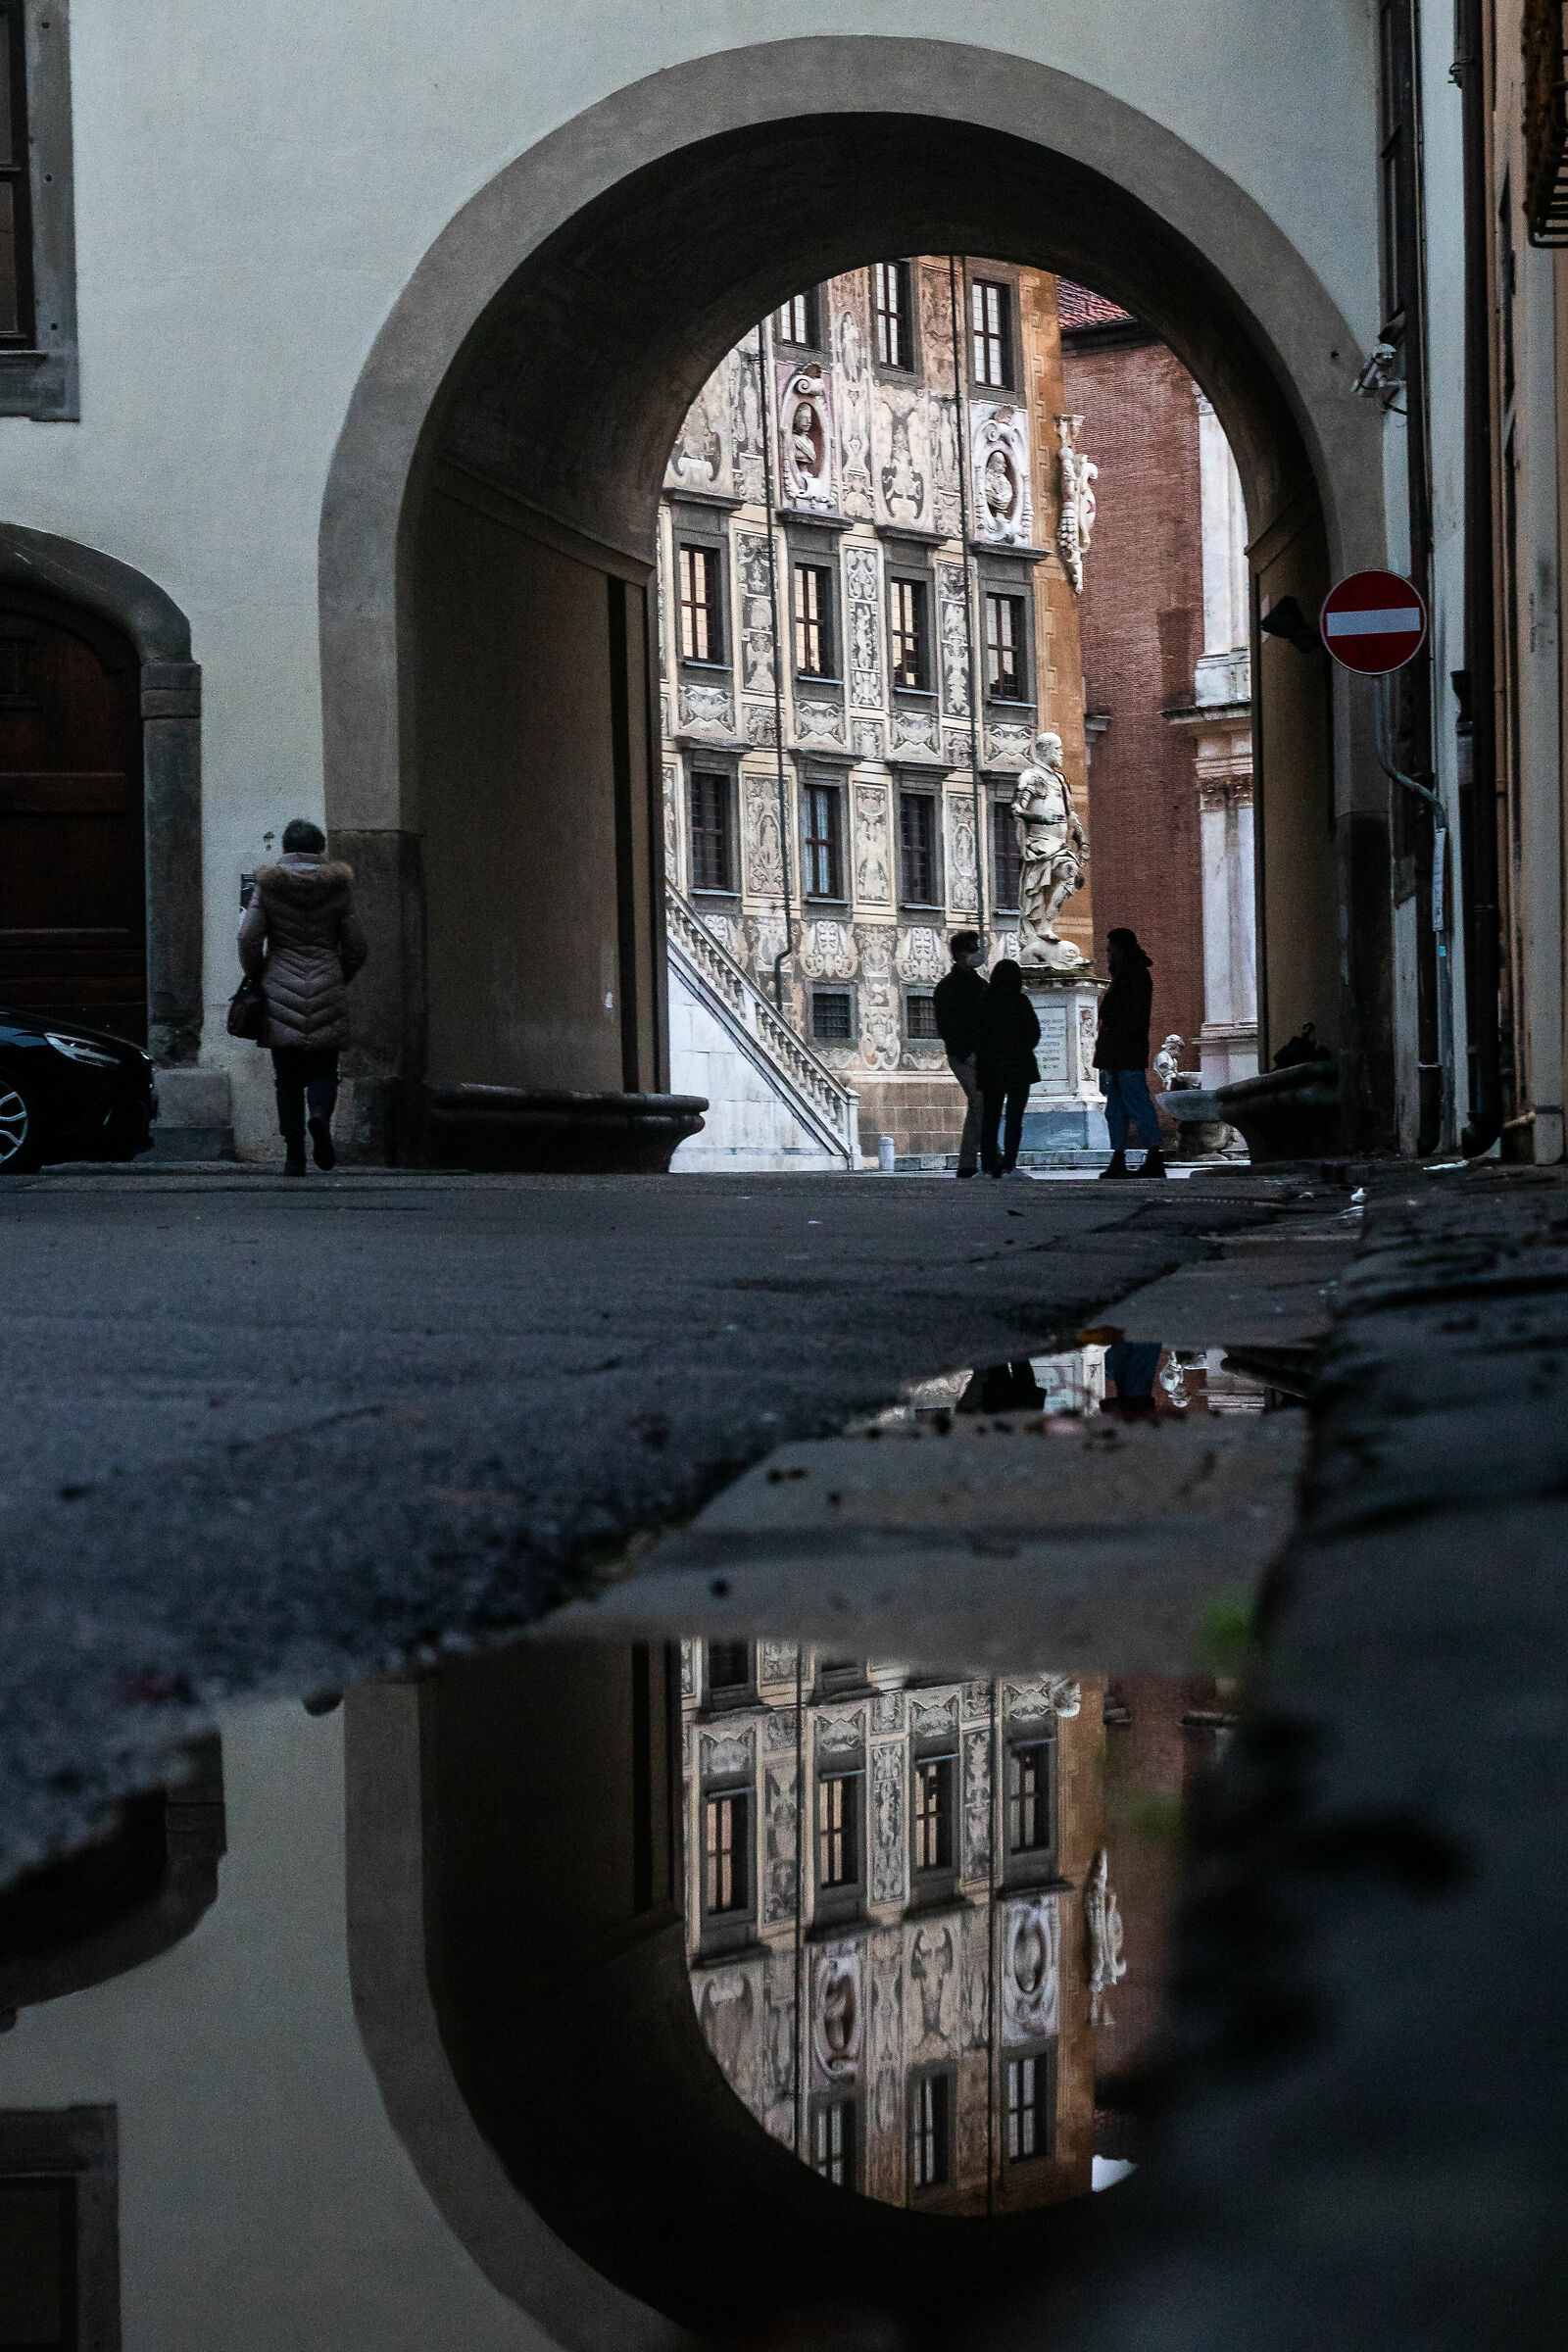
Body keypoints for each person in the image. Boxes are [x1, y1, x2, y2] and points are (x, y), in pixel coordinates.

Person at [238, 818, 368, 1177]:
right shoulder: (339, 889)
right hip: (328, 978)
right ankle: (320, 1116)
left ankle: (294, 1154)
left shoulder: (269, 887)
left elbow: (248, 937)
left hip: (279, 983)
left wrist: (258, 975)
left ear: (285, 848)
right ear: (320, 848)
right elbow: (356, 946)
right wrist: (339, 975)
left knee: (288, 1077)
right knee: (325, 1067)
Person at [1095, 926, 1165, 1178]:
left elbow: (1127, 1019)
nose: (1108, 952)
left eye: (1111, 947)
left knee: (1135, 1102)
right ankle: (1120, 1158)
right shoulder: (1125, 975)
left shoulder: (1134, 976)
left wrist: (1114, 1050)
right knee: (1116, 1108)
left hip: (1124, 1053)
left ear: (1122, 949)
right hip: (1119, 1053)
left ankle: (1153, 1156)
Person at [974, 958, 1040, 1178]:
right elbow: (1034, 1034)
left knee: (990, 1117)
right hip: (1019, 1068)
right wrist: (1018, 1049)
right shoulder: (1020, 1001)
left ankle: (988, 1165)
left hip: (991, 1068)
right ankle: (1009, 1164)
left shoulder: (984, 1002)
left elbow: (977, 1036)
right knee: (1014, 1118)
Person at [933, 930, 988, 1178]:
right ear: (959, 955)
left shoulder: (981, 985)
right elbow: (946, 1025)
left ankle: (984, 1158)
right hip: (962, 1055)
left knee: (983, 1105)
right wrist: (964, 1051)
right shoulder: (947, 987)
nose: (976, 954)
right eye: (971, 949)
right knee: (979, 1102)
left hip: (983, 1054)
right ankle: (968, 1163)